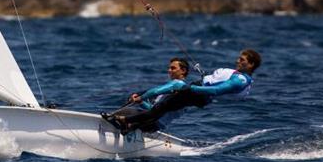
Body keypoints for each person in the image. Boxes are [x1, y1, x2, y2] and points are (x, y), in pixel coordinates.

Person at [109, 49, 262, 135]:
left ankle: (125, 122)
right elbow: (215, 84)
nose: (238, 61)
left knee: (160, 108)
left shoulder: (240, 80)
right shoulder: (240, 77)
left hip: (198, 93)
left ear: (251, 64)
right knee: (161, 108)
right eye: (239, 58)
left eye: (242, 60)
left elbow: (217, 90)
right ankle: (129, 125)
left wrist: (192, 88)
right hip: (199, 95)